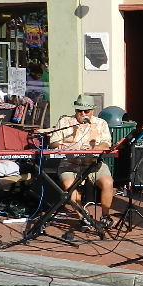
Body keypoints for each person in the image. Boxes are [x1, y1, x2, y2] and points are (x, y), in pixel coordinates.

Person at [42, 93, 115, 228]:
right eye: (79, 110)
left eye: (86, 111)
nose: (82, 113)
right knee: (69, 185)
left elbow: (107, 143)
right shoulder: (65, 122)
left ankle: (105, 216)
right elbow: (53, 142)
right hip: (70, 163)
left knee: (108, 182)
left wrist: (95, 148)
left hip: (93, 163)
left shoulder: (101, 123)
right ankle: (83, 215)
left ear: (92, 110)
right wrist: (63, 146)